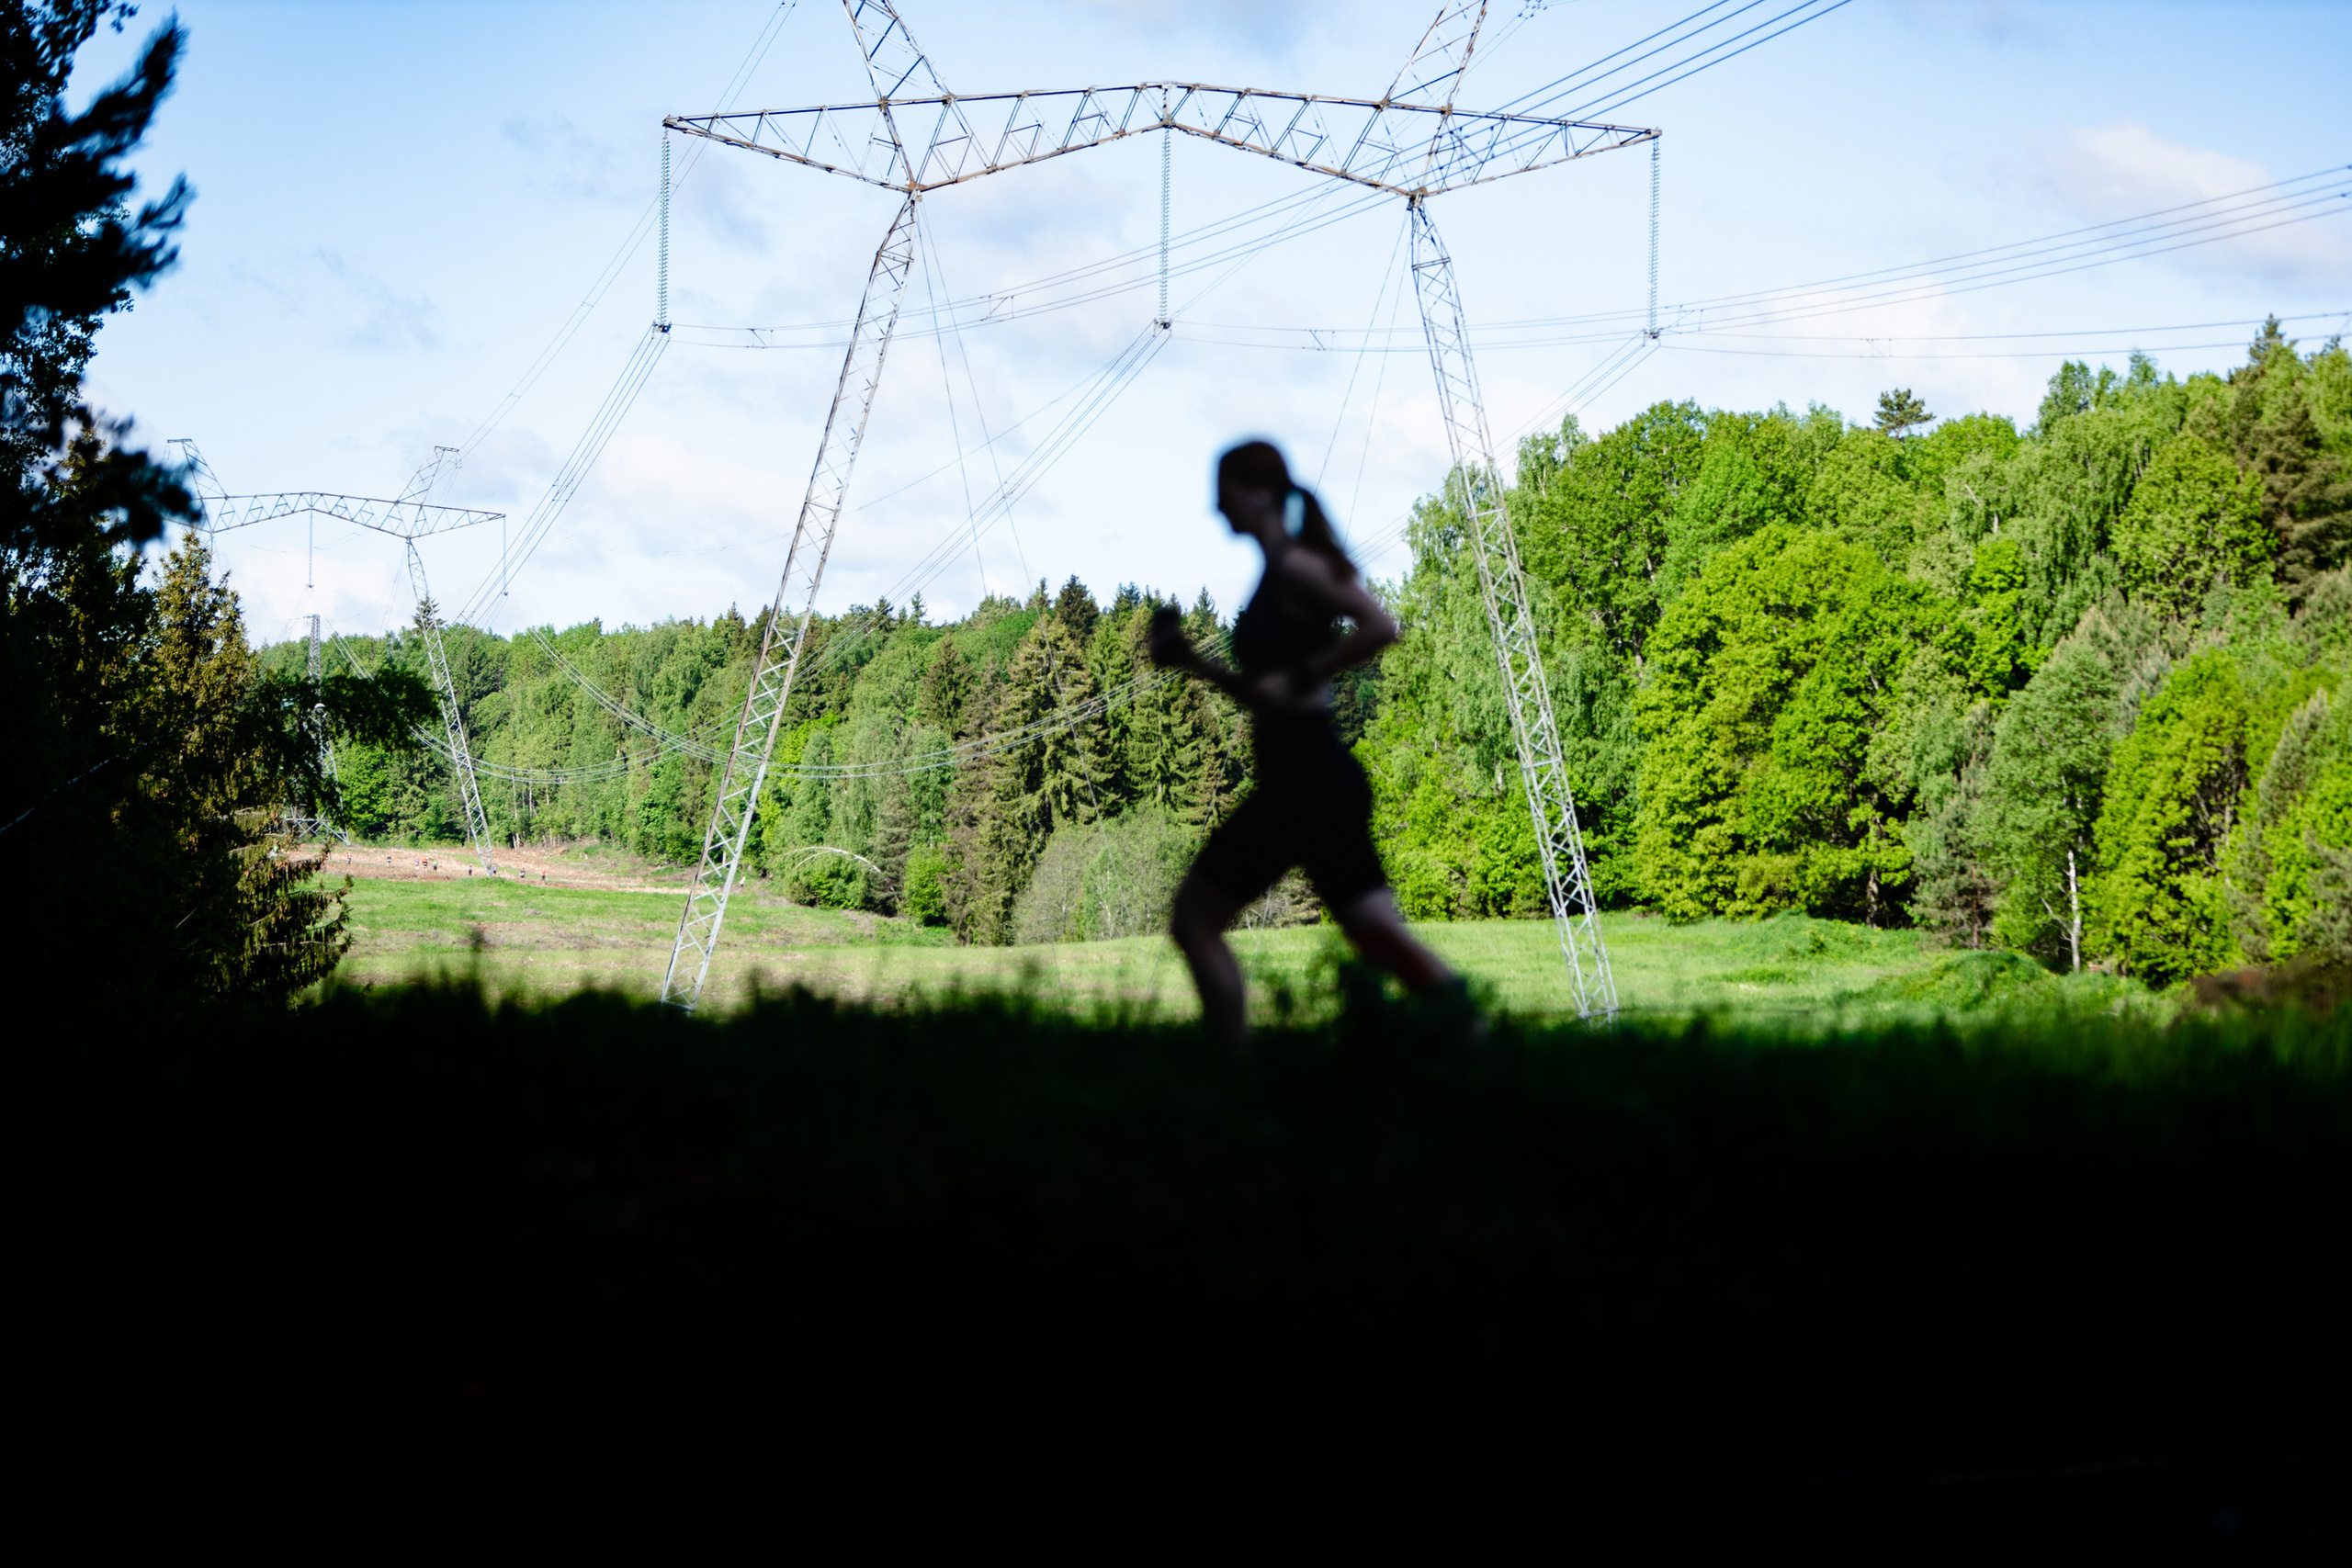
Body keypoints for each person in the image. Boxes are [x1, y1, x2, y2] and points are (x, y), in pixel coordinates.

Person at [1149, 440, 1470, 1046]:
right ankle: (1475, 1033)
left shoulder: (1296, 567)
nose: (1217, 507)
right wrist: (1191, 662)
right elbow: (1265, 694)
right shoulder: (1276, 574)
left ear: (1258, 492)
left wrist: (1308, 672)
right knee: (1373, 931)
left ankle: (1235, 1076)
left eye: (1225, 492)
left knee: (1195, 918)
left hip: (1307, 777)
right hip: (1304, 777)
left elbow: (1378, 626)